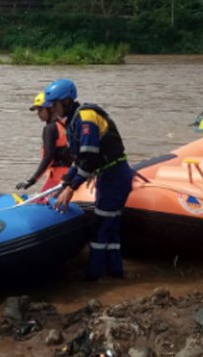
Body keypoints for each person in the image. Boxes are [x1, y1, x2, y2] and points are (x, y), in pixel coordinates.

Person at [46, 79, 133, 281]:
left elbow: (90, 159)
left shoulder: (85, 118)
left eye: (56, 104)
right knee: (110, 228)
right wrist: (66, 182)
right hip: (109, 175)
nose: (55, 109)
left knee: (101, 226)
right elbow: (80, 160)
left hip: (114, 175)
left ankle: (93, 275)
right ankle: (115, 271)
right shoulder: (74, 121)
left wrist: (71, 188)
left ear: (66, 101)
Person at [16, 92, 73, 192]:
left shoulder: (50, 129)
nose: (38, 114)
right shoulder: (65, 125)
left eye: (40, 110)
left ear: (51, 109)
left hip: (58, 179)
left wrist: (32, 180)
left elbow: (48, 157)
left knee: (40, 202)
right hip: (70, 176)